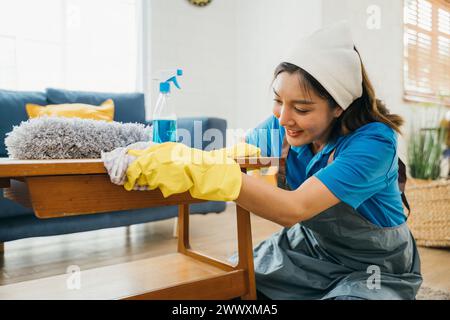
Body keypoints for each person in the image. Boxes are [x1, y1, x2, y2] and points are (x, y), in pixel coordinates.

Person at [125, 20, 423, 300]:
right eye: (278, 100)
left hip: (374, 265)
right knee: (231, 286)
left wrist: (214, 174)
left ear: (338, 108)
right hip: (307, 249)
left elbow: (294, 209)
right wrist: (183, 159)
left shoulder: (374, 142)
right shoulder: (281, 125)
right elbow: (231, 156)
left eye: (302, 109)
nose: (283, 118)